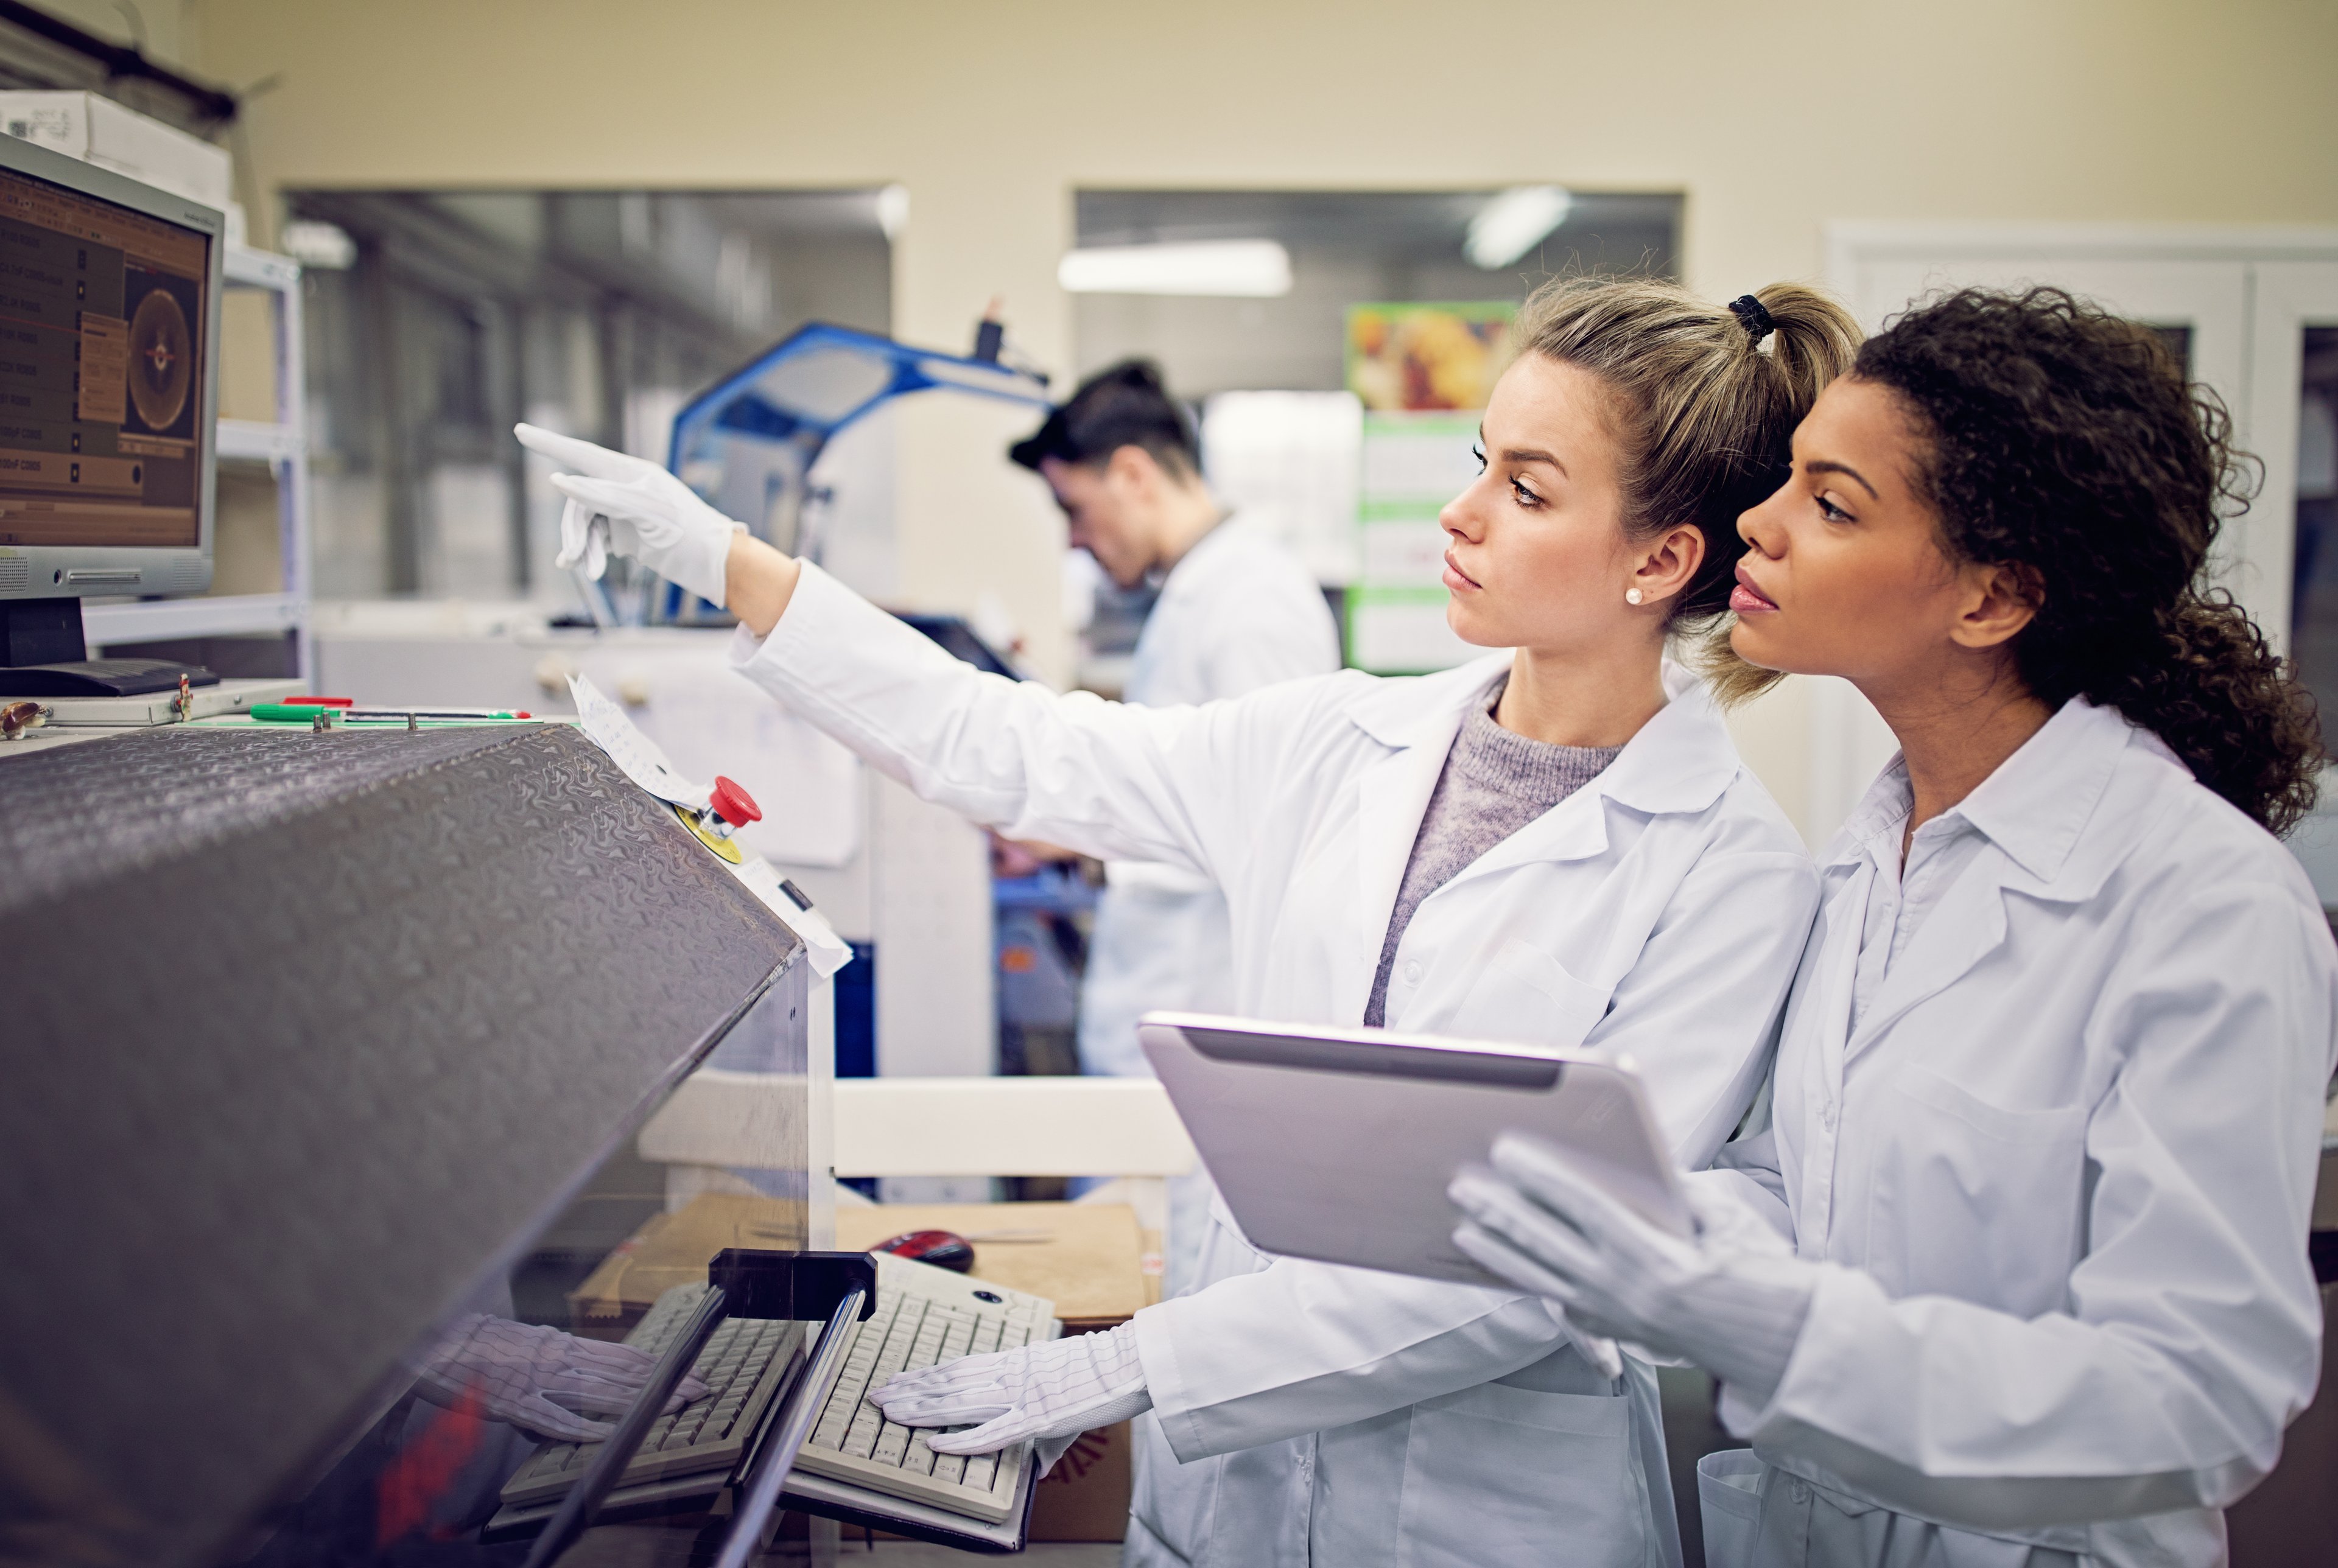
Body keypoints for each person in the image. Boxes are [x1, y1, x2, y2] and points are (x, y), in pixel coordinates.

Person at [514, 274, 1861, 1568]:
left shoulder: (1733, 877)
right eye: (1478, 461)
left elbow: (1542, 1270)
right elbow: (1012, 741)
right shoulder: (1338, 738)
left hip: (1486, 1508)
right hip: (1233, 1503)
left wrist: (1132, 1361)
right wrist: (724, 557)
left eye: (1525, 489)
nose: (1461, 515)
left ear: (1663, 557)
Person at [1450, 288, 2338, 1568]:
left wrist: (1760, 1323)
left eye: (1831, 502)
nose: (1756, 520)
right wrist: (1643, 1222)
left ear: (1992, 599)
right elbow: (1809, 1195)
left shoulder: (2205, 907)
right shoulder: (1871, 854)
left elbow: (2194, 1401)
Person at [1005, 360, 1341, 1090]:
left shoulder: (1253, 604)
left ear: (1132, 474)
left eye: (1075, 509)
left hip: (1204, 1027)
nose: (1074, 541)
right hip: (1164, 1015)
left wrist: (1083, 838)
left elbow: (1273, 828)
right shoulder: (1198, 590)